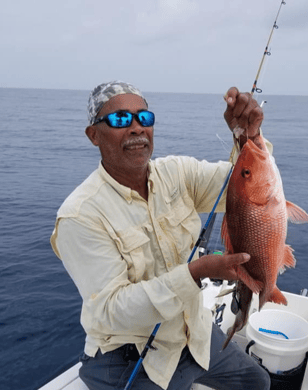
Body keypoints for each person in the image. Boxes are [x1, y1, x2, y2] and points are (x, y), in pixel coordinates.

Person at [50, 80, 272, 390]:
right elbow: (111, 310)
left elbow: (248, 185)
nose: (136, 128)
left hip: (193, 332)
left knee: (257, 383)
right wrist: (196, 273)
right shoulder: (80, 215)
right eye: (120, 119)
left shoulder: (177, 173)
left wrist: (248, 137)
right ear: (94, 135)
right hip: (130, 354)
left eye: (145, 117)